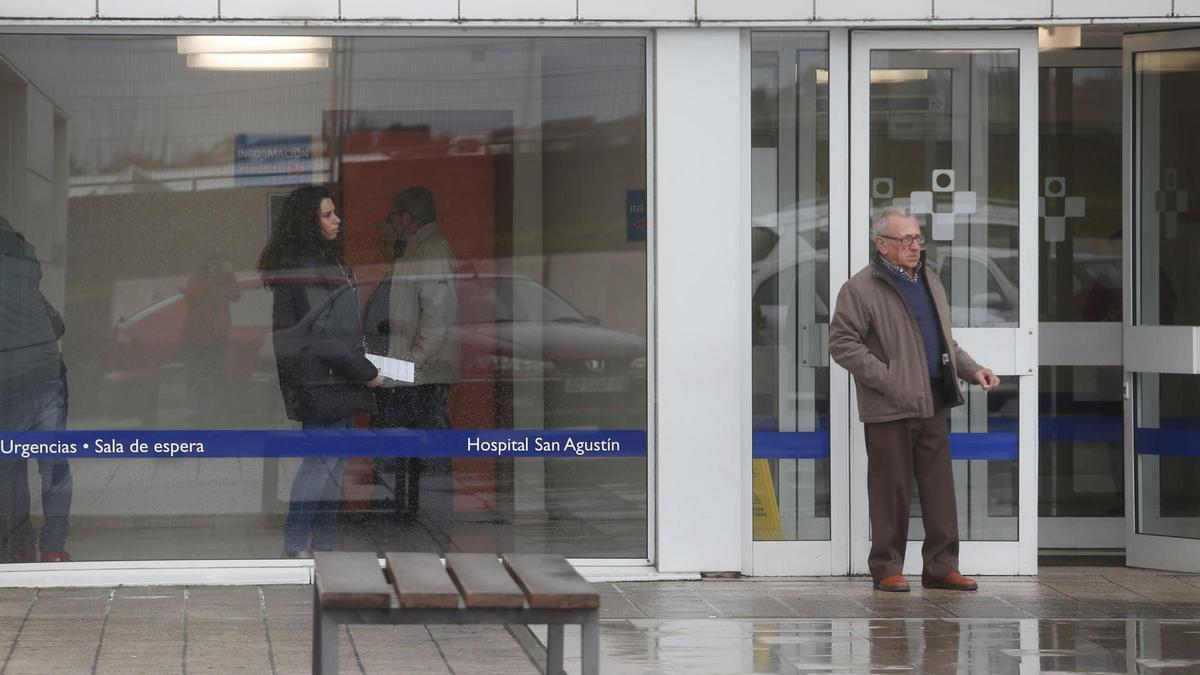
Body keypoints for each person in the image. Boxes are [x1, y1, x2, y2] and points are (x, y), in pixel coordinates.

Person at [828, 207, 1000, 593]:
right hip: (889, 406)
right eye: (904, 239)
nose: (913, 246)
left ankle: (941, 567)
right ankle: (886, 567)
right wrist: (889, 379)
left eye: (917, 238)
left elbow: (944, 342)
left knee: (940, 490)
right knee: (891, 489)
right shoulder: (860, 289)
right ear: (881, 244)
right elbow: (842, 344)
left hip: (933, 401)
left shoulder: (929, 282)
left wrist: (972, 369)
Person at [258, 186, 383, 557]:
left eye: (335, 213)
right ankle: (296, 547)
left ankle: (323, 546)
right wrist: (366, 371)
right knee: (322, 464)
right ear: (308, 224)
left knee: (333, 465)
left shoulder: (318, 261)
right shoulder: (308, 266)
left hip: (331, 378)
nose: (337, 220)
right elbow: (322, 331)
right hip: (322, 379)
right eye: (328, 215)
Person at [370, 187, 459, 519]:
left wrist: (413, 362)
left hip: (419, 374)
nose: (389, 222)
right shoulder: (412, 250)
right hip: (406, 371)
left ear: (407, 218)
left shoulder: (431, 251)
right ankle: (404, 517)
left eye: (394, 216)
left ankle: (430, 521)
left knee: (428, 452)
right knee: (403, 451)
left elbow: (438, 316)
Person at [0, 217, 73, 562]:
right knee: (54, 463)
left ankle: (20, 546)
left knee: (10, 467)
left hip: (8, 380)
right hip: (48, 375)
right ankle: (55, 548)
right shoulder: (25, 271)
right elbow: (57, 323)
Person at [181, 248, 241, 426]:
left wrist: (229, 276)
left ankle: (215, 418)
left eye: (220, 264)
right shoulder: (199, 278)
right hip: (197, 339)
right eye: (215, 263)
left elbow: (236, 295)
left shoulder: (224, 280)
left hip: (217, 339)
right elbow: (192, 293)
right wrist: (212, 277)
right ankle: (200, 418)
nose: (216, 267)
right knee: (200, 380)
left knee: (217, 378)